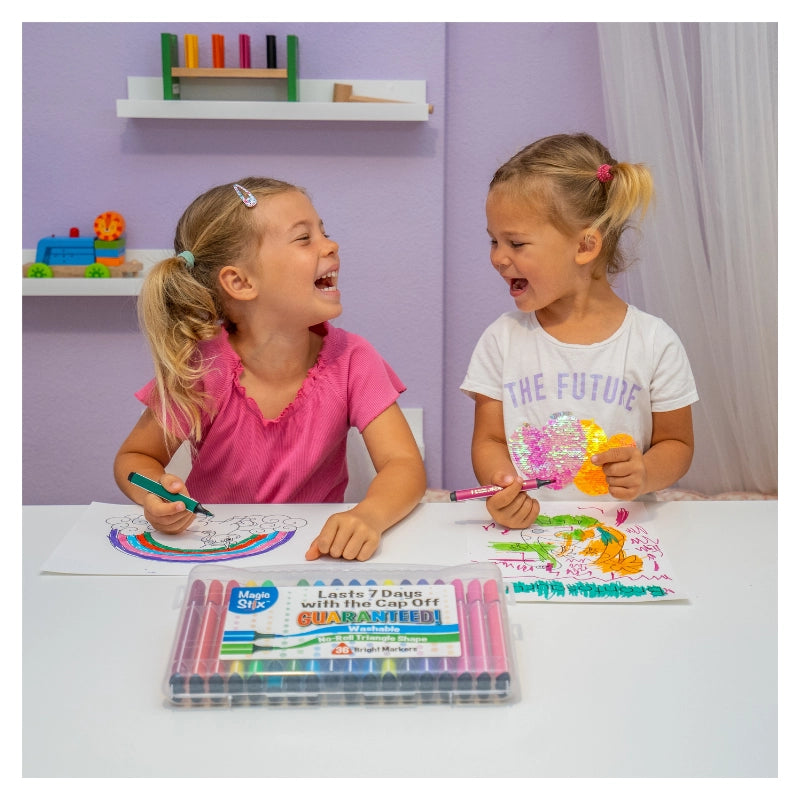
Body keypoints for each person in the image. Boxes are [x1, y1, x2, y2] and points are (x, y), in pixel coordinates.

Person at [114, 177, 426, 561]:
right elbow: (135, 458)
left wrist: (369, 515)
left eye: (324, 232)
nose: (331, 245)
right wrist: (155, 494)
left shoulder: (353, 359)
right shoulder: (201, 369)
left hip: (314, 556)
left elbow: (403, 465)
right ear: (240, 282)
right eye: (304, 238)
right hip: (214, 555)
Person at [461, 133, 698, 529]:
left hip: (624, 532)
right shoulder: (501, 340)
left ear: (585, 246)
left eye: (515, 243)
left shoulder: (655, 343)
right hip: (533, 533)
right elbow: (490, 441)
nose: (498, 258)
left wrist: (646, 473)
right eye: (493, 241)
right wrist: (500, 484)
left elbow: (677, 444)